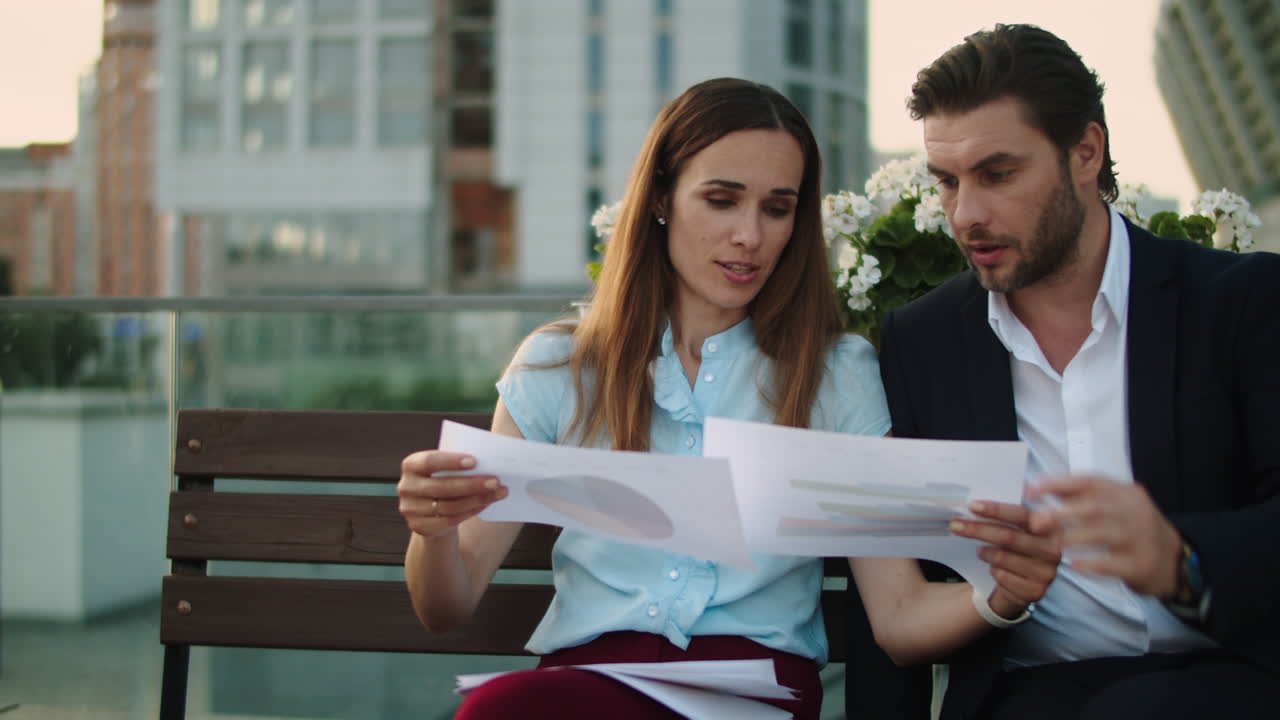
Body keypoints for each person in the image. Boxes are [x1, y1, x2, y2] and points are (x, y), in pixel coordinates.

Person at [397, 77, 1058, 720]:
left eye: (777, 208)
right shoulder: (559, 366)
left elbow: (899, 615)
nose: (751, 236)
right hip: (584, 686)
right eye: (721, 200)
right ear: (661, 197)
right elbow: (445, 605)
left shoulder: (835, 373)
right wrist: (436, 533)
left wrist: (998, 597)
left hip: (753, 698)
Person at [844, 23, 1280, 720]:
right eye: (948, 181)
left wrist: (1182, 560)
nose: (966, 214)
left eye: (997, 174)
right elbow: (900, 581)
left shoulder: (1240, 302)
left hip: (1225, 679)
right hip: (1029, 693)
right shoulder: (921, 340)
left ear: (1085, 152)